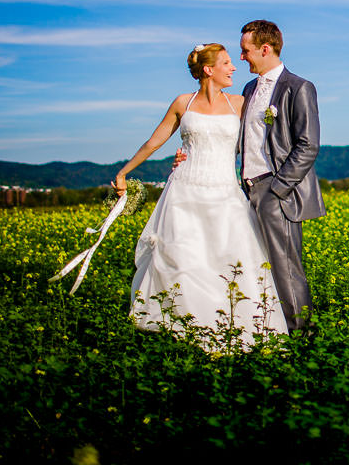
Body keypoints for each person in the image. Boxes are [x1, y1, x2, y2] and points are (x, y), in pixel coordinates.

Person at [114, 43, 287, 347]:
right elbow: (155, 141)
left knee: (230, 259)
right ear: (209, 70)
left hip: (225, 192)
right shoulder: (183, 102)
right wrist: (123, 172)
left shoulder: (240, 104)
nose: (233, 67)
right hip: (184, 191)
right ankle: (185, 331)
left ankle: (238, 330)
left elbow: (258, 143)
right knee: (183, 260)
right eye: (227, 63)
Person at [235, 19, 326, 335]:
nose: (242, 57)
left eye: (245, 51)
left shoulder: (299, 87)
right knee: (257, 265)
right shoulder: (249, 89)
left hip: (276, 190)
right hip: (247, 191)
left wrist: (277, 189)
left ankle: (301, 336)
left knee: (287, 269)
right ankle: (268, 331)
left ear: (265, 48)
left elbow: (308, 144)